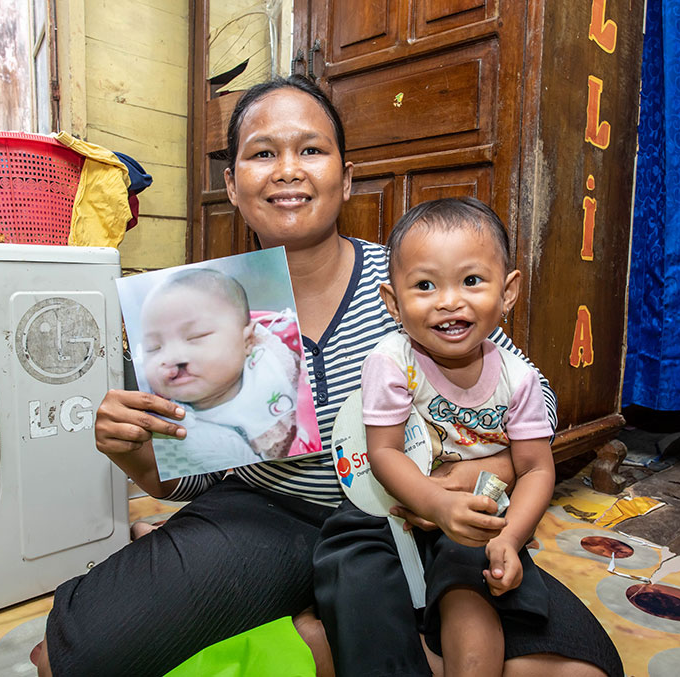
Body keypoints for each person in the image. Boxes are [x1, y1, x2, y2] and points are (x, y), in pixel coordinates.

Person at [31, 74, 622, 677]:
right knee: (67, 657)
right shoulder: (205, 306)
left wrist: (474, 473)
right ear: (233, 185)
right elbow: (191, 480)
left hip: (412, 518)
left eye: (311, 150)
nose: (288, 170)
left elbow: (520, 403)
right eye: (263, 153)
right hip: (268, 515)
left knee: (576, 673)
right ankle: (317, 622)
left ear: (346, 177)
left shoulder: (412, 284)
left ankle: (320, 629)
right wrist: (133, 451)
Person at [322, 196, 556, 677]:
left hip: (478, 514)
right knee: (355, 572)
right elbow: (383, 453)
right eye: (425, 285)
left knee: (470, 586)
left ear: (507, 292)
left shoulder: (520, 379)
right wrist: (434, 503)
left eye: (471, 281)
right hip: (394, 505)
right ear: (393, 303)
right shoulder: (391, 363)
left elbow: (535, 467)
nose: (450, 301)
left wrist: (510, 538)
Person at [139, 267, 300, 464]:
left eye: (196, 336)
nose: (172, 356)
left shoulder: (280, 361)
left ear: (248, 341)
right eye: (153, 347)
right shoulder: (165, 417)